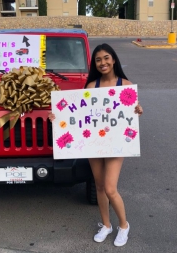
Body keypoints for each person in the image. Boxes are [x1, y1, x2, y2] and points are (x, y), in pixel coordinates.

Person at [48, 43, 143, 247]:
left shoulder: (125, 85)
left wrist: (137, 111)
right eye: (98, 60)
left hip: (116, 144)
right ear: (95, 63)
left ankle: (124, 226)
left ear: (114, 59)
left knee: (110, 188)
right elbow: (78, 113)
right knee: (99, 186)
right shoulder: (92, 87)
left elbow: (129, 115)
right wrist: (57, 116)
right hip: (94, 143)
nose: (103, 63)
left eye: (106, 58)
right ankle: (106, 225)